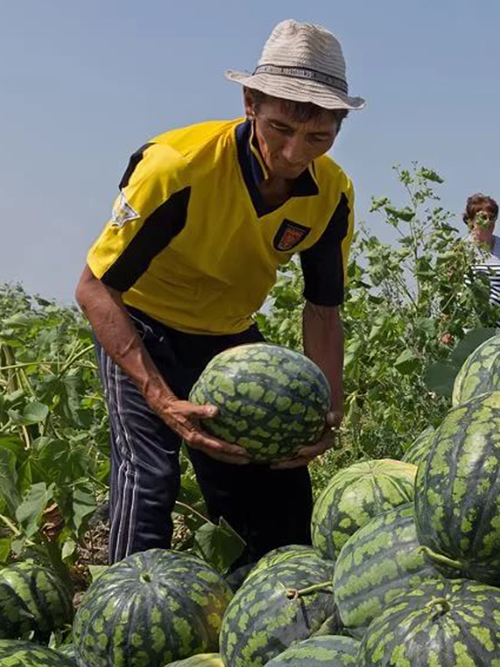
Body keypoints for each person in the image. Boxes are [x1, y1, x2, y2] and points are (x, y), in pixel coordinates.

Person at [74, 20, 364, 564]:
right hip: (143, 325)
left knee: (270, 479)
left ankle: (276, 605)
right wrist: (160, 397)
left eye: (318, 137)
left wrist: (326, 410)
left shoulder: (332, 193)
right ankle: (123, 618)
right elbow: (94, 290)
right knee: (150, 472)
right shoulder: (177, 167)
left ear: (338, 127)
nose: (293, 152)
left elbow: (323, 310)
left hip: (230, 338)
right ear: (251, 102)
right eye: (280, 127)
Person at [464, 193, 500, 331]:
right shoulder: (461, 249)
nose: (488, 221)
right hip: (469, 328)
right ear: (471, 221)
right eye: (483, 217)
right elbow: (450, 291)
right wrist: (446, 330)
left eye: (492, 217)